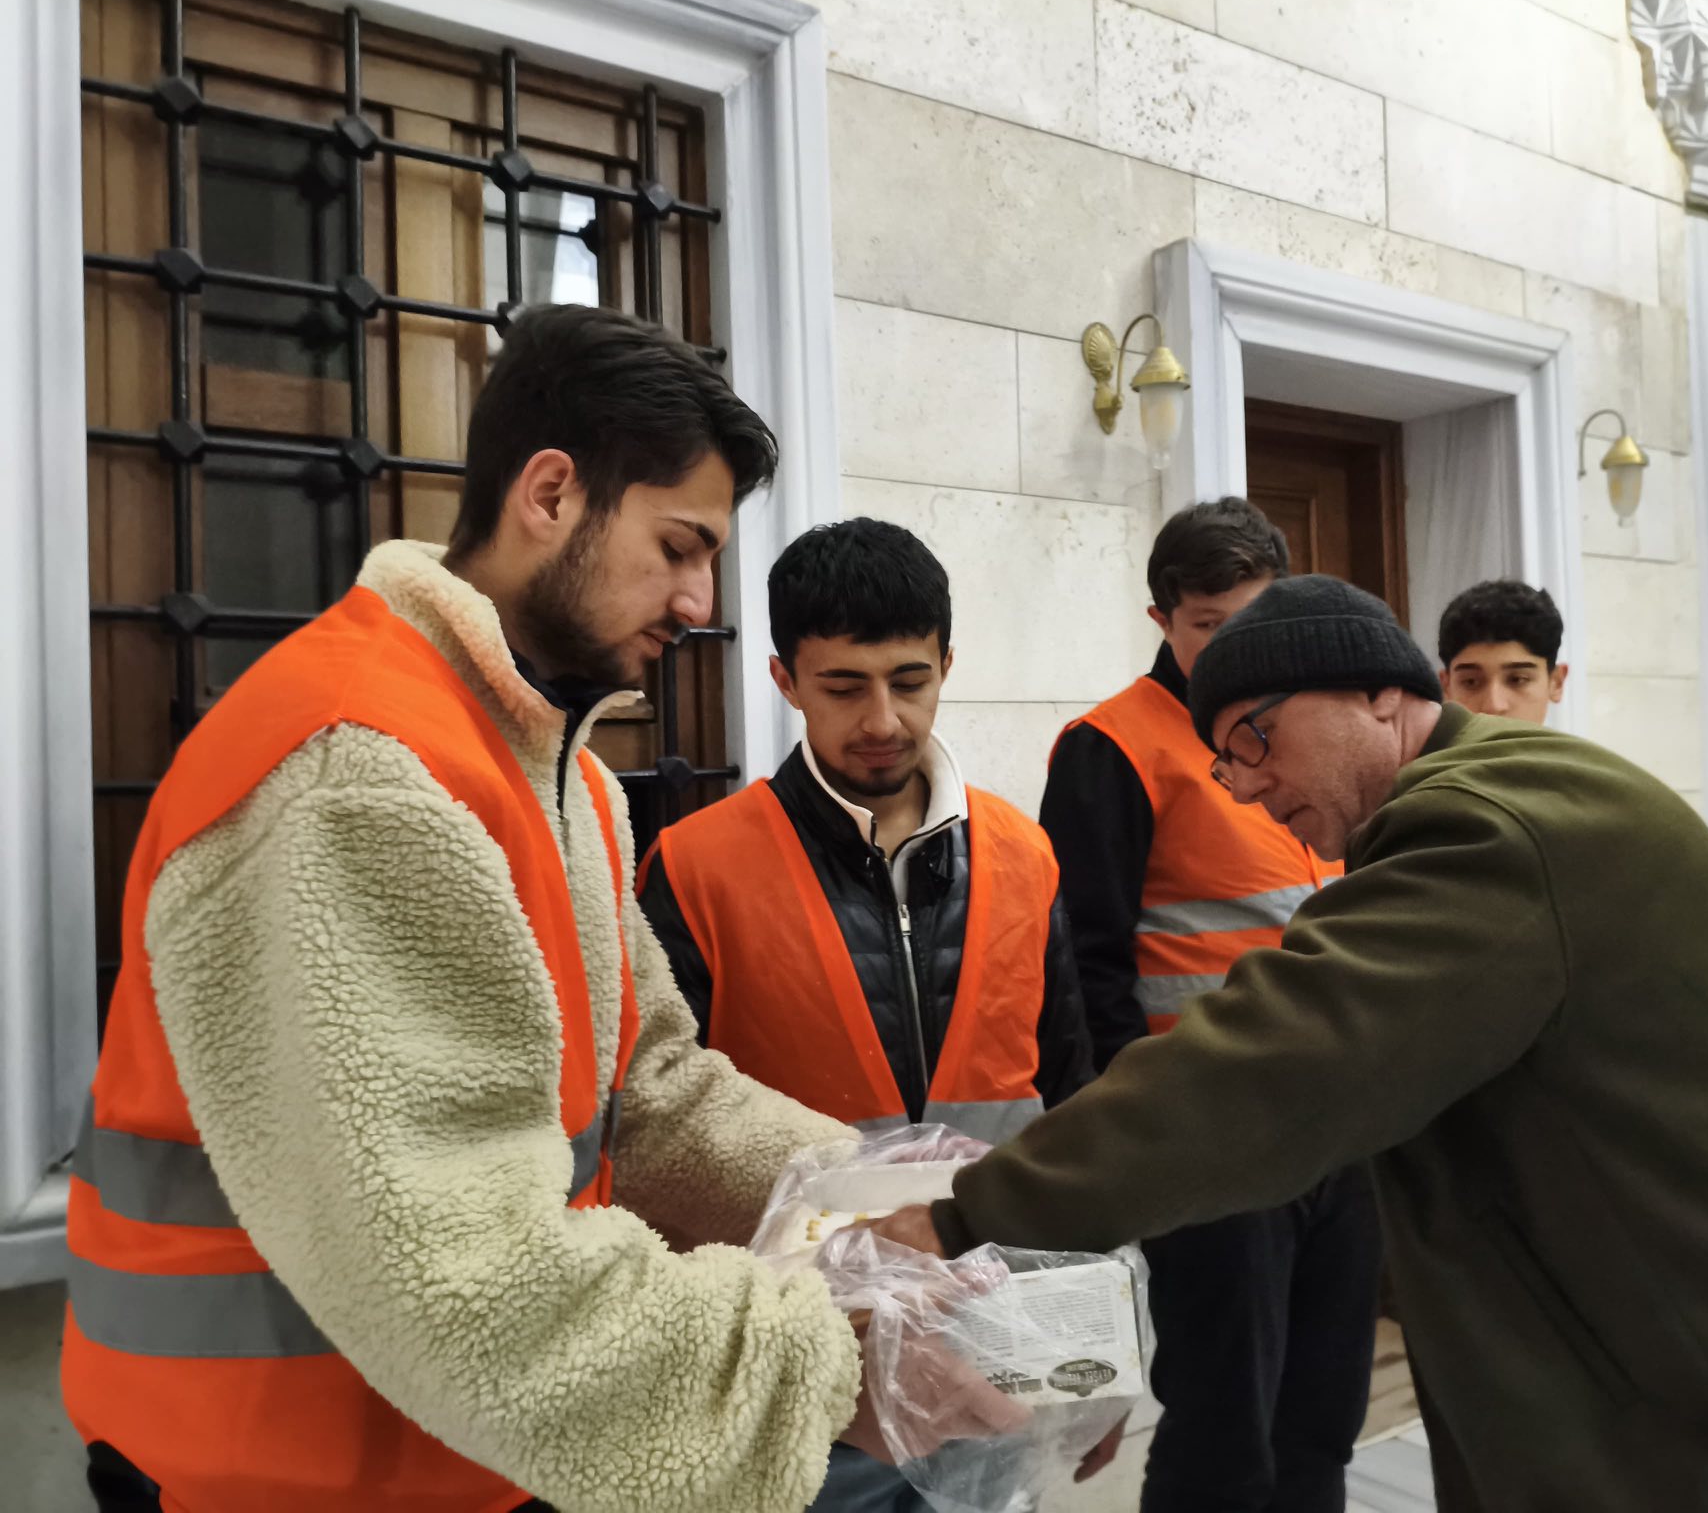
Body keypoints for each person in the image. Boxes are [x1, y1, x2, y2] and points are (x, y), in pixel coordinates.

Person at [64, 305, 1018, 1513]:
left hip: (445, 1460)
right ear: (553, 493)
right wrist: (831, 1359)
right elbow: (469, 1281)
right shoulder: (360, 769)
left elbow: (654, 1092)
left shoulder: (548, 773)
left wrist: (881, 1202)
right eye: (678, 545)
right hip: (271, 1475)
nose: (697, 599)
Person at [875, 574, 1708, 1513]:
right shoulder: (1530, 792)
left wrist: (966, 1215)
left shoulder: (1483, 832)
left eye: (1257, 736)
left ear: (1380, 694)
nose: (1246, 785)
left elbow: (1274, 1065)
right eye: (1224, 758)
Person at [637, 516, 1098, 1510]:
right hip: (803, 1357)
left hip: (992, 1326)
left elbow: (1068, 1099)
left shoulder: (1025, 854)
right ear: (784, 678)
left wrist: (1087, 1340)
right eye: (844, 686)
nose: (883, 717)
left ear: (945, 664)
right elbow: (654, 1126)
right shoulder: (695, 866)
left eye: (909, 680)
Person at [1037, 499, 1379, 1513]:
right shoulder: (1110, 745)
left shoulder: (1304, 735)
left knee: (1322, 1420)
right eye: (1205, 626)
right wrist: (1125, 1146)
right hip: (1212, 1144)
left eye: (1251, 621)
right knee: (1224, 1433)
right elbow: (1082, 969)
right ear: (1160, 621)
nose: (1233, 649)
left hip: (1337, 1129)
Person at [1436, 578, 1569, 724]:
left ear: (1556, 683)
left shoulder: (1585, 748)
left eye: (1517, 680)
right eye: (1471, 682)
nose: (1494, 706)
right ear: (1446, 687)